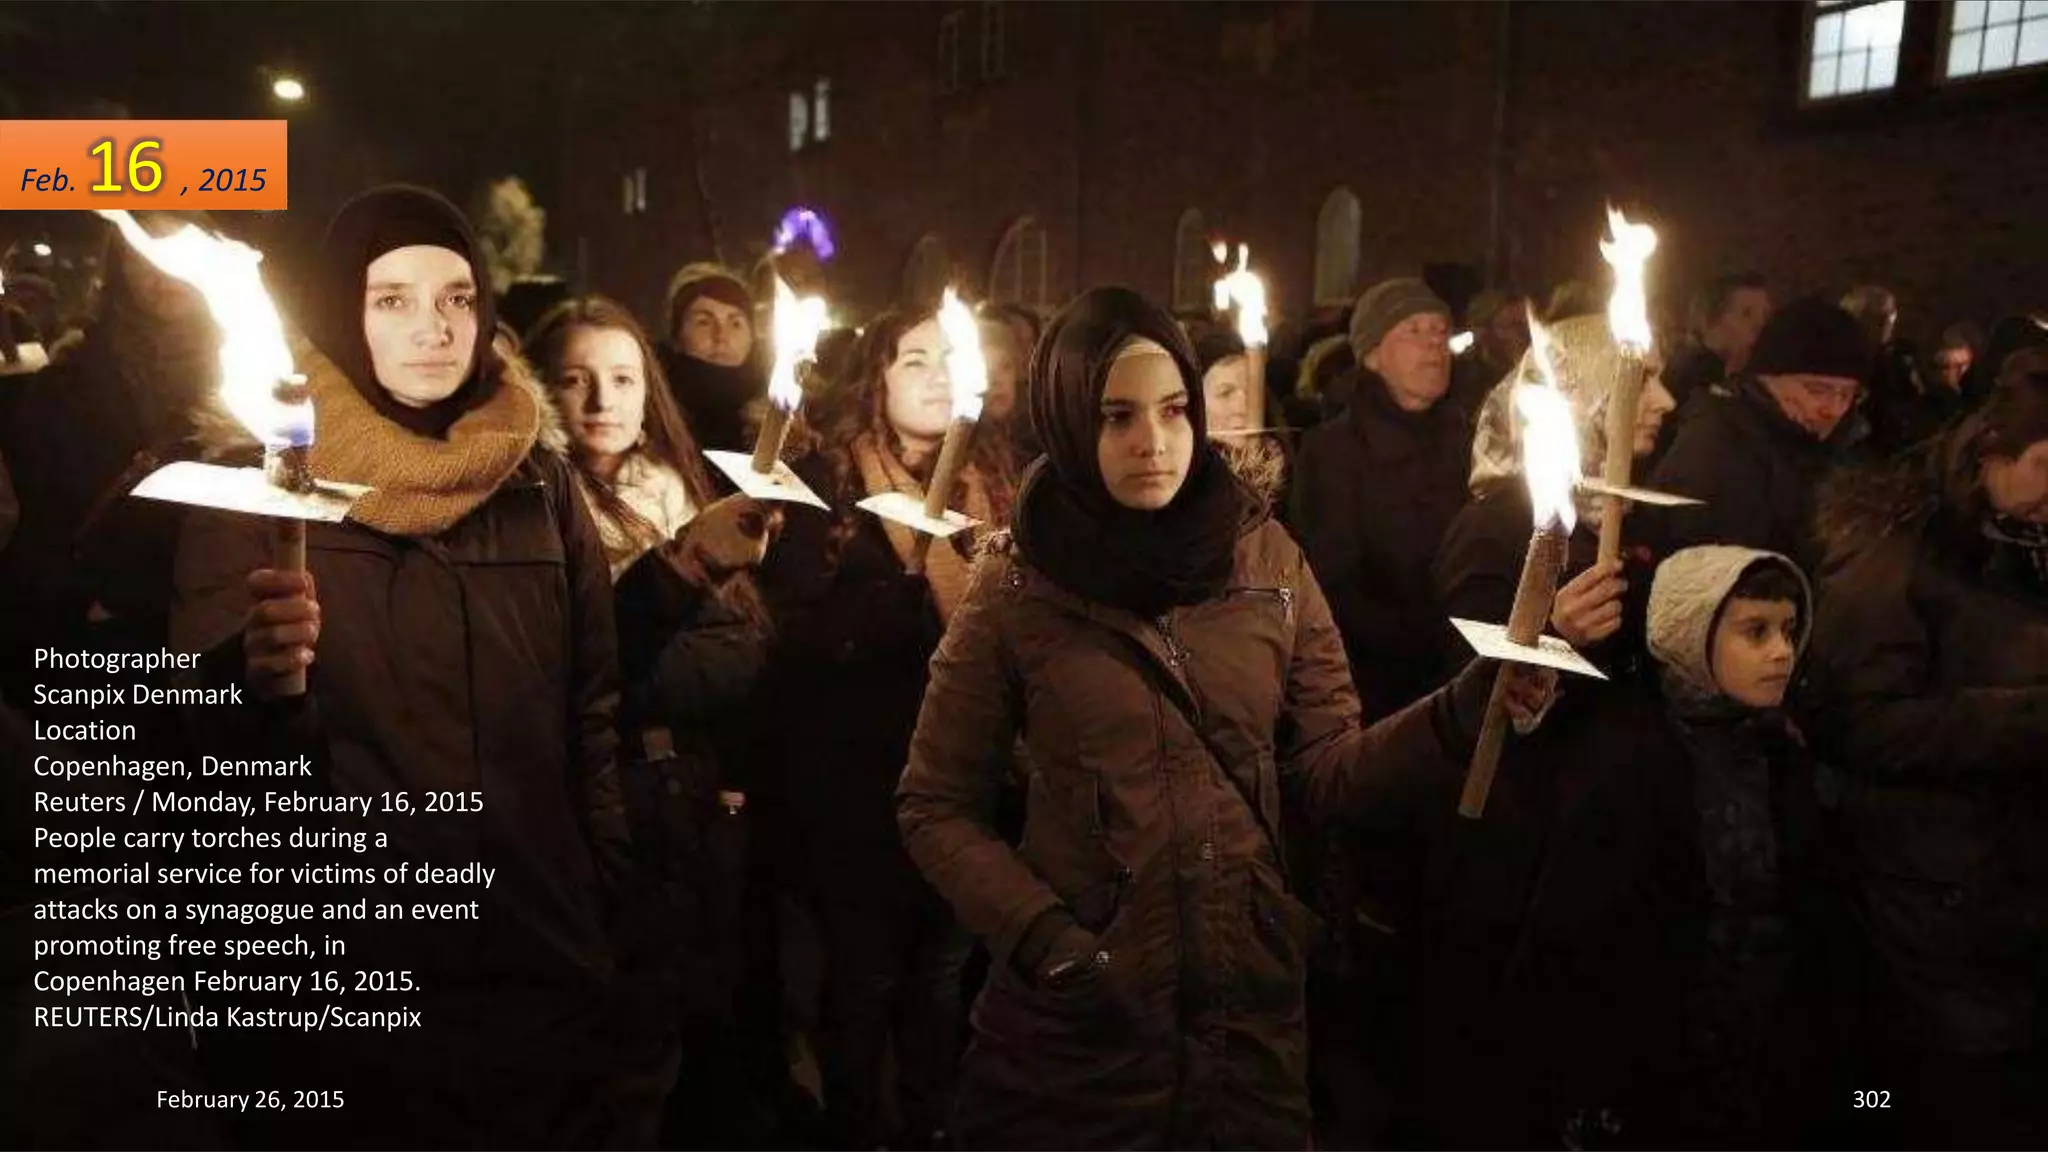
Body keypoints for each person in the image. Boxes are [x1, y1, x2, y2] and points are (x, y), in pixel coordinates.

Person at [895, 285, 1547, 1150]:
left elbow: (1329, 770)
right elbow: (935, 806)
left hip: (1245, 1019)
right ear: (1064, 420)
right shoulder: (1018, 587)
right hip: (1079, 1039)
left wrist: (1463, 714)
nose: (1153, 443)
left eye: (1173, 410)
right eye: (1116, 416)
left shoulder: (1266, 558)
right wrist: (1050, 940)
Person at [169, 185, 642, 1148]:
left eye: (457, 297)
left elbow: (591, 714)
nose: (434, 326)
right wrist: (254, 687)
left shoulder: (537, 482)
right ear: (346, 310)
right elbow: (195, 760)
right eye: (393, 299)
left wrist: (608, 911)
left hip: (535, 945)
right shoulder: (249, 486)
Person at [527, 295, 794, 1147]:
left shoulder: (683, 491)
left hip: (695, 801)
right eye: (574, 381)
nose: (602, 401)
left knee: (698, 1028)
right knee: (620, 1052)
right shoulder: (535, 508)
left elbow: (749, 654)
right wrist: (680, 582)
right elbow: (590, 666)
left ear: (651, 394)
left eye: (621, 378)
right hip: (604, 808)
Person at [754, 307, 1017, 1149]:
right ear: (878, 379)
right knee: (861, 981)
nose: (938, 373)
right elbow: (793, 631)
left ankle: (935, 1126)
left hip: (968, 781)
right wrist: (885, 607)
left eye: (950, 358)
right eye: (915, 358)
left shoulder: (996, 487)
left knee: (943, 979)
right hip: (859, 785)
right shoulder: (830, 485)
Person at [1801, 367, 2048, 1148]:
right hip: (1932, 882)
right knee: (1923, 1090)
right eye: (2047, 463)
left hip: (2008, 879)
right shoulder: (1896, 562)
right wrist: (2025, 716)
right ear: (1988, 456)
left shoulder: (2023, 543)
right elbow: (1856, 723)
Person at [1644, 547, 1837, 1147]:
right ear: (1692, 635)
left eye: (1788, 629)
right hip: (1676, 1063)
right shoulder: (1642, 762)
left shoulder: (1785, 748)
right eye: (1755, 631)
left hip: (1778, 1042)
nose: (1782, 651)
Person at [1292, 278, 1473, 718]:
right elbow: (1331, 581)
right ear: (1372, 353)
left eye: (1439, 330)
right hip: (1373, 689)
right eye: (1413, 330)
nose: (1433, 343)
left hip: (1464, 673)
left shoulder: (1470, 440)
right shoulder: (1332, 450)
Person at [1644, 296, 1871, 571]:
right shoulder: (1718, 449)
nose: (1834, 409)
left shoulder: (1836, 450)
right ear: (1767, 379)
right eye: (1817, 390)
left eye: (1847, 394)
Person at [659, 261, 763, 452]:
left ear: (752, 337)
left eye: (736, 324)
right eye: (704, 322)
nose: (721, 336)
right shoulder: (656, 413)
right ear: (677, 335)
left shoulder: (775, 411)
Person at [1192, 322, 1290, 518]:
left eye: (1251, 389)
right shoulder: (1182, 487)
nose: (1243, 406)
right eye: (1225, 393)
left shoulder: (1290, 473)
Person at [1664, 272, 1771, 412]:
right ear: (1709, 322)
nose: (1758, 326)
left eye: (1765, 317)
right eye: (1746, 314)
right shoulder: (1693, 380)